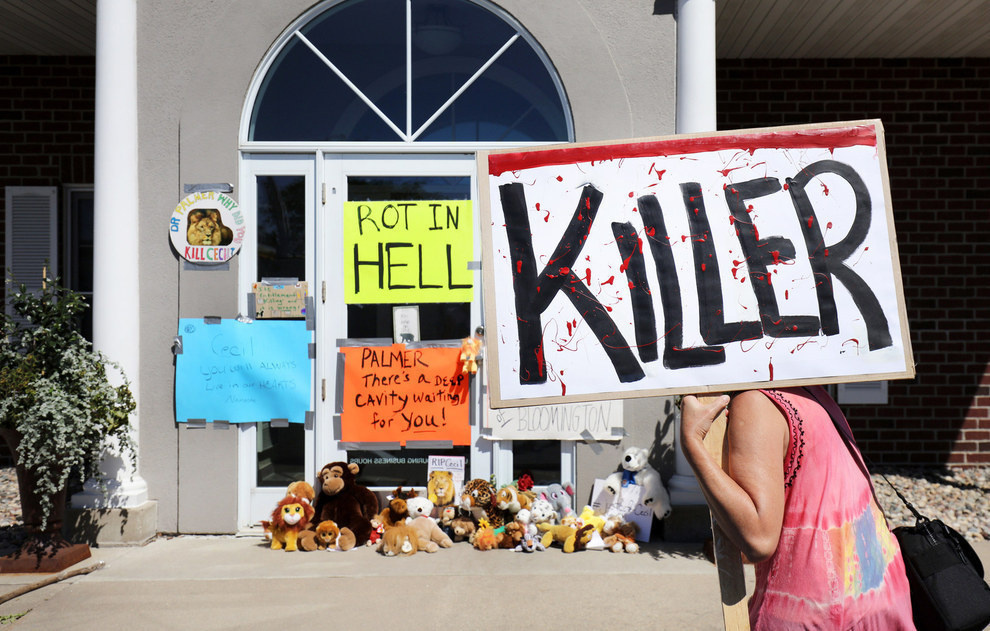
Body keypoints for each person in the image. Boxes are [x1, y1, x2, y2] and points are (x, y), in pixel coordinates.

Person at [680, 386, 914, 630]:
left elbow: (759, 540)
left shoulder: (756, 404)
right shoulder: (812, 393)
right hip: (880, 598)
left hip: (813, 613)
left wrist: (692, 442)